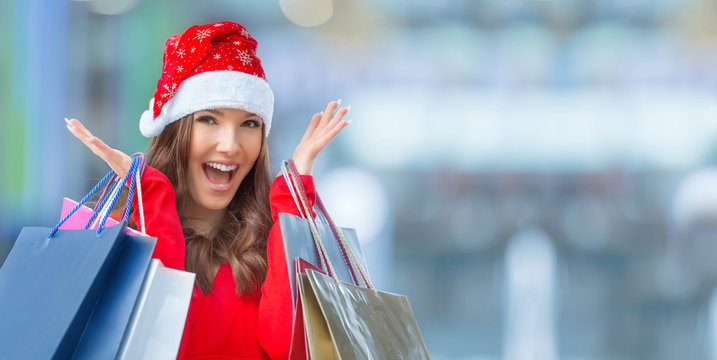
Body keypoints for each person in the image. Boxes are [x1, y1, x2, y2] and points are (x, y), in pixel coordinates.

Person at [65, 21, 349, 359]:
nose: (229, 145)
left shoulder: (269, 242)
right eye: (209, 120)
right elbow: (150, 345)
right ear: (174, 131)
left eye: (249, 124)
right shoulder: (117, 235)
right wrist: (152, 199)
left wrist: (292, 196)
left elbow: (289, 347)